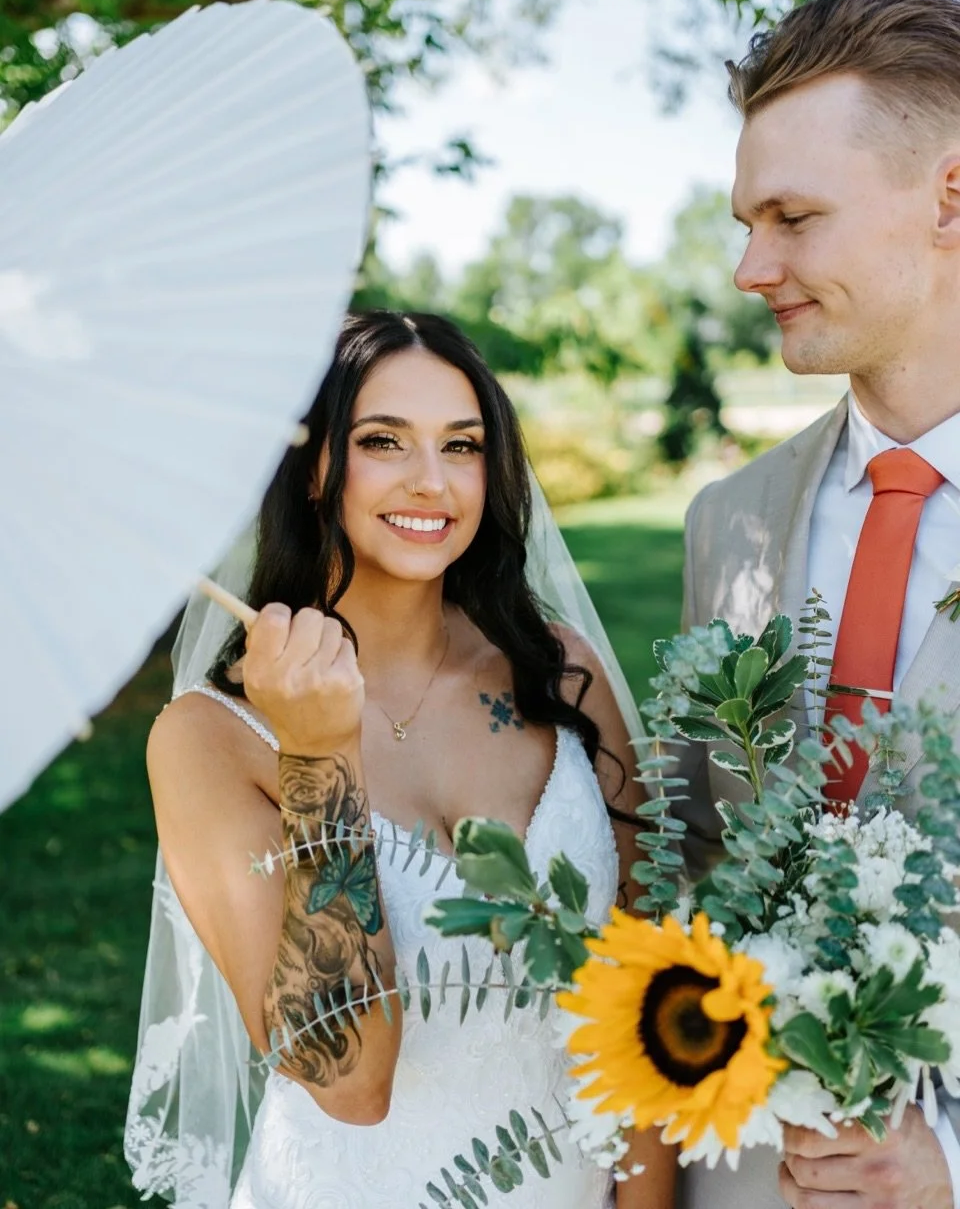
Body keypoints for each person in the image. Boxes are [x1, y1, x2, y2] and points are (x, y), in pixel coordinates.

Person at [125, 309, 676, 1208]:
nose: (433, 483)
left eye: (462, 446)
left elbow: (653, 987)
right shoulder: (207, 739)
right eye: (384, 441)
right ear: (313, 467)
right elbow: (347, 1080)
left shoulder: (560, 671)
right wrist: (319, 753)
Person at [678, 0, 960, 1209]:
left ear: (952, 195)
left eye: (793, 217)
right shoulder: (727, 525)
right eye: (748, 220)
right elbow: (694, 853)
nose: (751, 267)